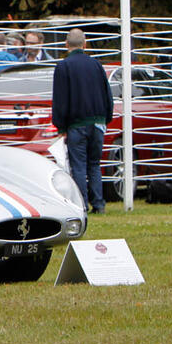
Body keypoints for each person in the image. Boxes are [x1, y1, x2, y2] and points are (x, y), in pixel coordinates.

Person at [52, 29, 114, 213]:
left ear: (66, 44)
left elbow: (60, 99)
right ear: (85, 44)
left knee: (78, 165)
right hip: (97, 122)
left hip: (76, 124)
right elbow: (107, 95)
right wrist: (106, 118)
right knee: (94, 164)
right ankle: (99, 204)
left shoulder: (63, 67)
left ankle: (81, 204)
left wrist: (60, 125)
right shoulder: (96, 65)